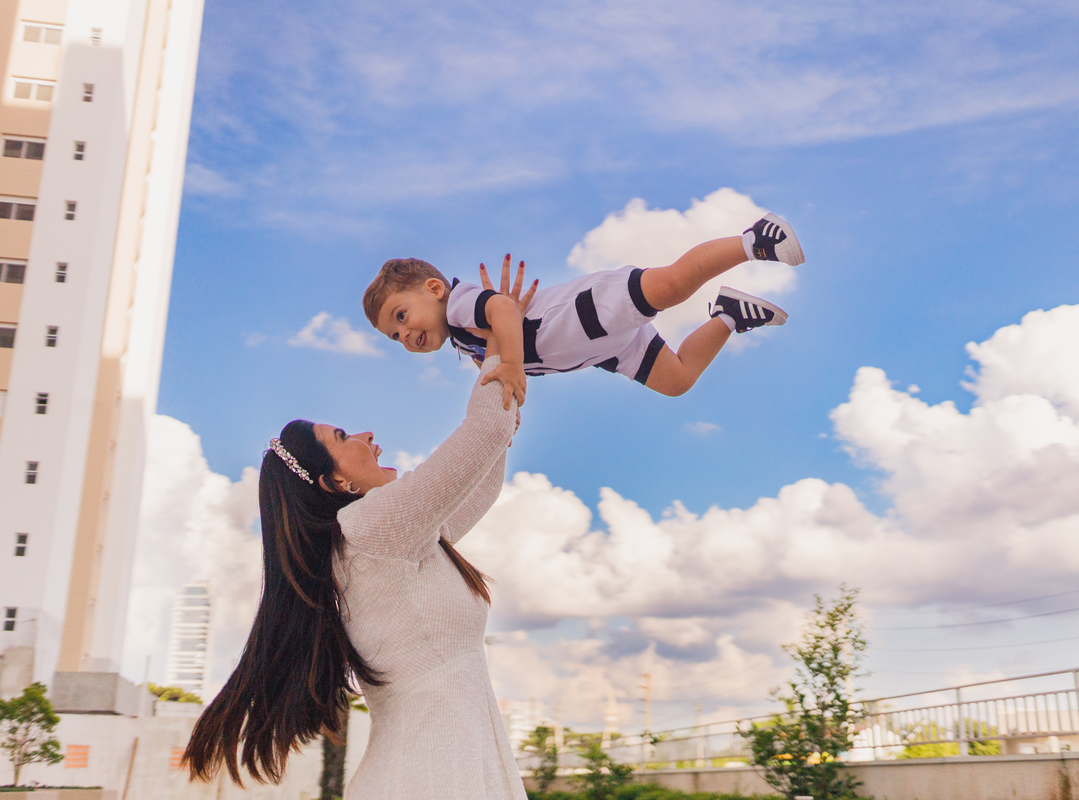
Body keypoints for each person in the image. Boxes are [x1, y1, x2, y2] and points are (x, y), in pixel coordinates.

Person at [182, 270, 530, 799]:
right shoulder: (370, 527)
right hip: (430, 778)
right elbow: (484, 432)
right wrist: (499, 334)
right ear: (335, 482)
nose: (368, 436)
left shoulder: (384, 542)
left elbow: (482, 478)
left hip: (440, 770)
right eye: (344, 437)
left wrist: (498, 354)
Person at [363, 212, 804, 407]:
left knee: (671, 285)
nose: (405, 336)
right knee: (678, 380)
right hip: (603, 350)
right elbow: (497, 370)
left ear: (434, 288)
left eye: (401, 317)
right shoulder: (463, 339)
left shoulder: (459, 306)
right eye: (394, 337)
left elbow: (502, 308)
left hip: (587, 312)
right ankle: (728, 313)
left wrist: (512, 365)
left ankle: (754, 240)